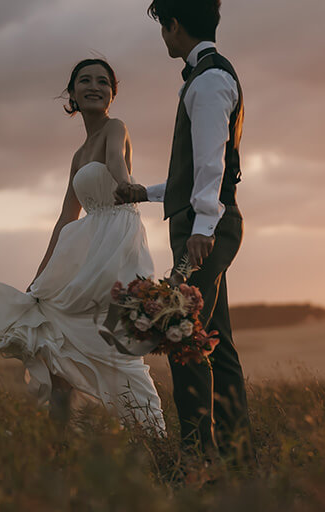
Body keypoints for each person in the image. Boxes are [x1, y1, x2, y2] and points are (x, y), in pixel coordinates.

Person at [0, 58, 166, 432]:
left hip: (117, 246)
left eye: (103, 81)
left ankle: (152, 434)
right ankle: (60, 439)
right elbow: (67, 217)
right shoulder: (78, 155)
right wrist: (41, 276)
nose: (94, 86)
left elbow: (116, 161)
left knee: (116, 344)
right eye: (85, 81)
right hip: (86, 248)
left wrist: (124, 184)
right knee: (55, 337)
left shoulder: (116, 127)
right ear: (72, 94)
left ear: (112, 93)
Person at [115, 0, 253, 465]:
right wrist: (145, 193)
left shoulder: (210, 78)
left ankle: (197, 460)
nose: (163, 37)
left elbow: (212, 163)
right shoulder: (206, 75)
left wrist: (204, 228)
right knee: (218, 341)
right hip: (202, 221)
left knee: (182, 337)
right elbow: (193, 175)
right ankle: (237, 456)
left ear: (174, 25)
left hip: (202, 228)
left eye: (163, 27)